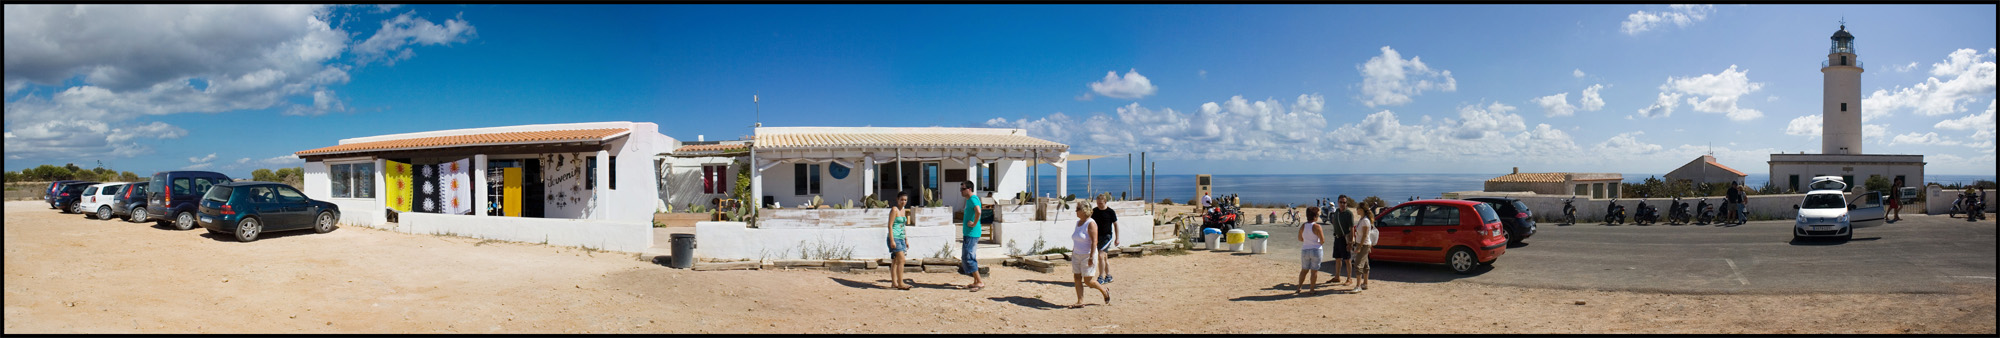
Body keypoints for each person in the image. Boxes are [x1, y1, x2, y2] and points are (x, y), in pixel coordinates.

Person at [1069, 201, 1110, 308]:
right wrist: (1073, 252)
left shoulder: (1091, 223)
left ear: (1083, 211)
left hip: (1087, 255)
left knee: (1088, 281)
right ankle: (1080, 301)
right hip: (1077, 255)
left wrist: (1091, 257)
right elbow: (1077, 239)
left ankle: (1104, 291)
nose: (1075, 211)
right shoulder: (1078, 223)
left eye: (1077, 209)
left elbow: (1094, 241)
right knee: (1077, 277)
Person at [956, 181, 985, 292]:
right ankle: (976, 281)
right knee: (966, 256)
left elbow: (978, 211)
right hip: (969, 233)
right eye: (961, 189)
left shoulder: (973, 199)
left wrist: (974, 223)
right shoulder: (969, 200)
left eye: (963, 189)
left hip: (972, 233)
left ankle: (979, 281)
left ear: (969, 189)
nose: (961, 191)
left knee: (969, 257)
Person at [885, 191, 913, 290]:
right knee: (902, 260)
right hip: (895, 237)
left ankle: (894, 282)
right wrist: (892, 240)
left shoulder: (904, 210)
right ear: (897, 199)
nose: (903, 202)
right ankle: (900, 283)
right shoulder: (894, 210)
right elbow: (890, 225)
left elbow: (903, 226)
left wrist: (906, 239)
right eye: (902, 200)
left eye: (905, 200)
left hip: (901, 237)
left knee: (895, 261)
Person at [1350, 201, 1379, 293]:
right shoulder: (1362, 219)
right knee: (1365, 264)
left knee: (1358, 264)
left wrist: (1359, 247)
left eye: (1358, 208)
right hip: (1363, 244)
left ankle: (1358, 286)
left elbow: (1365, 235)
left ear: (1361, 210)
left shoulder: (1365, 221)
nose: (1356, 210)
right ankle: (1365, 283)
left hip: (1364, 245)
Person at [1091, 194, 1119, 285]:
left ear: (1105, 202)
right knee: (1105, 257)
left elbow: (1116, 225)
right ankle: (1108, 276)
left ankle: (1101, 277)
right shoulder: (1094, 211)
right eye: (1098, 203)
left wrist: (1117, 238)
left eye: (1101, 203)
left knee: (1100, 255)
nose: (1099, 205)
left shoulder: (1110, 212)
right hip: (1097, 237)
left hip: (1107, 237)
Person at [1296, 206, 1325, 295]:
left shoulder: (1303, 226)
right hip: (1316, 249)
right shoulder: (1317, 226)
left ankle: (1299, 287)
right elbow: (1322, 240)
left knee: (1304, 270)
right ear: (1315, 216)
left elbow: (1300, 238)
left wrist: (1307, 241)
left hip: (1305, 249)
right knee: (1314, 271)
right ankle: (1311, 289)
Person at [1329, 195, 1356, 286]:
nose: (1342, 204)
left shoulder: (1349, 213)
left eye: (1344, 202)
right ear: (1338, 202)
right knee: (1337, 258)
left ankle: (1349, 278)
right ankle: (1337, 277)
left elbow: (1352, 227)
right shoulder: (1336, 212)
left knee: (1347, 259)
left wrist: (1350, 242)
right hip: (1337, 237)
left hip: (1345, 238)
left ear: (1346, 203)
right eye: (1340, 202)